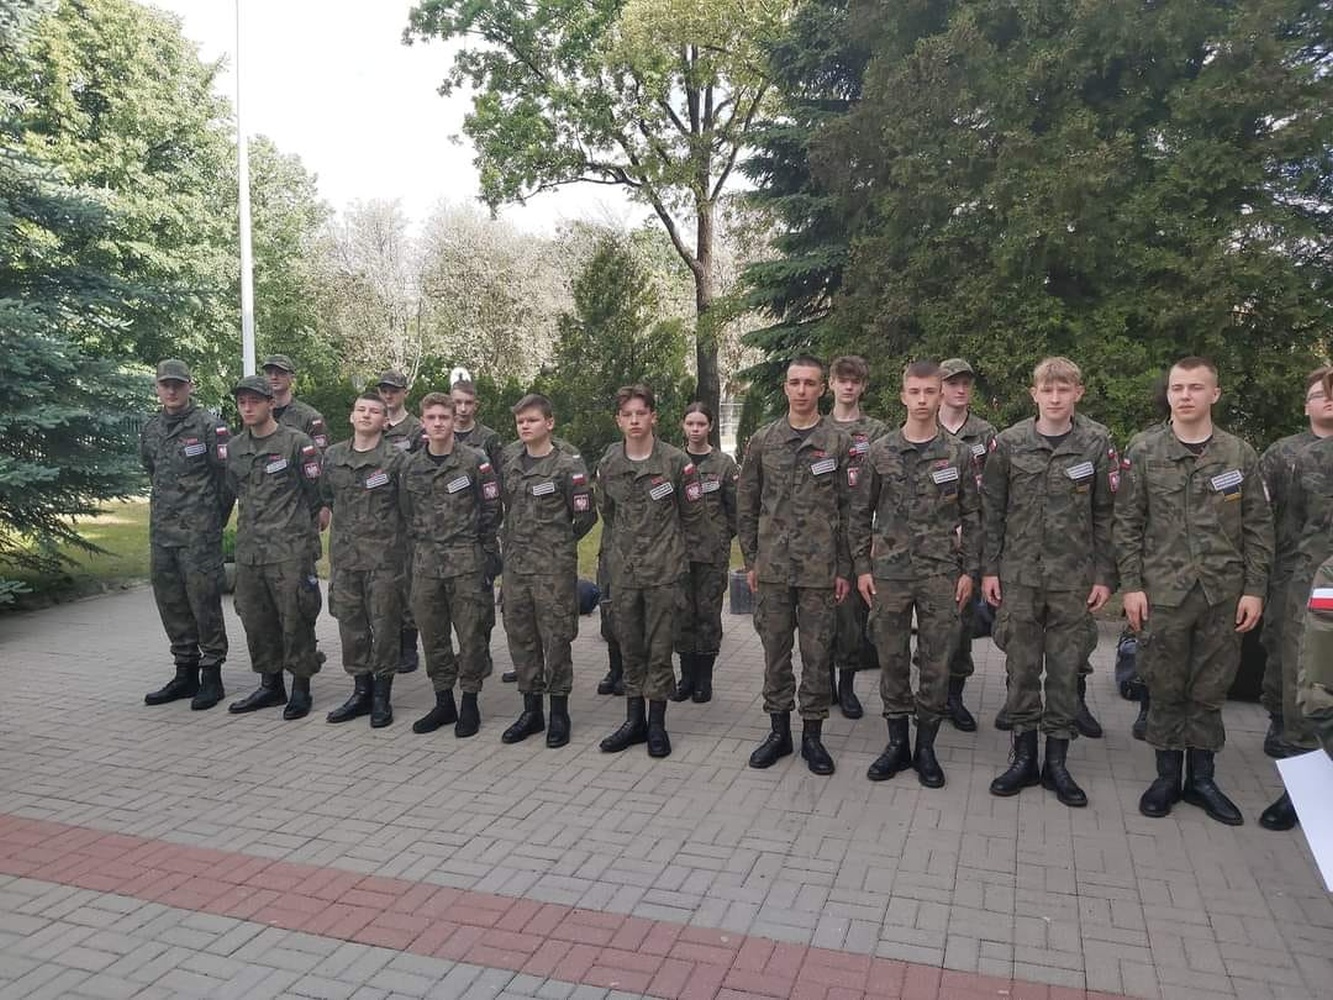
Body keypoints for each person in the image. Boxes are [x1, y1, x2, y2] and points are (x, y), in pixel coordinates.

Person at [1115, 357, 1273, 825]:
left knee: (1210, 688)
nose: (1185, 396)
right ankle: (1166, 778)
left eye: (1195, 387)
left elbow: (1258, 526)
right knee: (1163, 685)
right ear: (1168, 394)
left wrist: (1255, 589)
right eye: (1177, 387)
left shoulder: (1239, 455)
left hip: (1222, 594)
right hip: (1162, 593)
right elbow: (1127, 524)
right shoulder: (1144, 449)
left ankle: (1202, 780)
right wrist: (1131, 586)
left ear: (1214, 394)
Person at [983, 358, 1117, 808]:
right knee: (1021, 669)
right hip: (1019, 577)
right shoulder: (1009, 443)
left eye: (1064, 390)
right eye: (1047, 390)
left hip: (1072, 580)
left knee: (1064, 671)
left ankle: (1057, 763)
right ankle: (1023, 757)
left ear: (1078, 392)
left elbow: (1106, 514)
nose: (1055, 398)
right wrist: (989, 570)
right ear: (1034, 394)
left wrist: (1104, 575)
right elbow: (992, 511)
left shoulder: (1096, 443)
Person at [850, 361, 980, 788]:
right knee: (891, 658)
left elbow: (973, 517)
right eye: (915, 392)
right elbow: (859, 514)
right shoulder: (879, 452)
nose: (922, 400)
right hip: (890, 573)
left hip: (941, 574)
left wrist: (969, 570)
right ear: (903, 396)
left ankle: (926, 747)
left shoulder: (958, 454)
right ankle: (896, 744)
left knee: (937, 661)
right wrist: (862, 567)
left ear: (940, 396)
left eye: (929, 392)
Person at [739, 355, 853, 776]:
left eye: (809, 383)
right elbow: (747, 503)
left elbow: (851, 509)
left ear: (822, 388)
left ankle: (813, 737)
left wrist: (845, 567)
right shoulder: (764, 440)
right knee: (775, 652)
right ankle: (778, 732)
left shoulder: (838, 443)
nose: (802, 390)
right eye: (794, 382)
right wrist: (751, 559)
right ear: (785, 387)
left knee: (818, 654)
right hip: (772, 568)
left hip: (820, 571)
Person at [596, 384, 704, 758]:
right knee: (629, 646)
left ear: (653, 417)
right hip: (625, 573)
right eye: (627, 415)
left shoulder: (676, 462)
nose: (634, 421)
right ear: (618, 420)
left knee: (659, 649)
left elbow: (693, 517)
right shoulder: (609, 463)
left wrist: (674, 560)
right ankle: (633, 721)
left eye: (641, 413)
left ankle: (656, 724)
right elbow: (608, 514)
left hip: (663, 572)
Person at [496, 394, 598, 747]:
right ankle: (531, 711)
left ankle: (558, 712)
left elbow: (585, 515)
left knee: (556, 639)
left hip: (553, 570)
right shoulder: (510, 462)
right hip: (516, 568)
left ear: (549, 423)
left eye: (532, 420)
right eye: (520, 421)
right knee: (521, 637)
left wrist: (558, 543)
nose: (525, 426)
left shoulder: (568, 466)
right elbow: (506, 505)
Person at [400, 392, 502, 739]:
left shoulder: (474, 461)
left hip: (466, 564)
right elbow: (406, 512)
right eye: (432, 418)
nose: (439, 423)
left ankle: (470, 702)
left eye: (444, 417)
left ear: (453, 420)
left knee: (471, 636)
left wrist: (482, 551)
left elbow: (491, 509)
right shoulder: (411, 466)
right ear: (423, 422)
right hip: (426, 566)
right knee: (433, 636)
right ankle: (443, 701)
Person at [225, 374, 325, 720]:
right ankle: (270, 684)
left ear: (271, 403)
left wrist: (301, 533)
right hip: (251, 549)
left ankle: (301, 686)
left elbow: (315, 492)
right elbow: (234, 487)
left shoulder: (296, 443)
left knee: (296, 616)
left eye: (254, 401)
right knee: (255, 617)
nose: (247, 408)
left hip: (289, 549)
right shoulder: (235, 447)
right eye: (242, 402)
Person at [1258, 374, 1333, 829]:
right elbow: (1271, 521)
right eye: (1321, 393)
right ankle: (1304, 792)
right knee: (1307, 684)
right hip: (1309, 585)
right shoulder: (1303, 456)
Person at [139, 359, 233, 711]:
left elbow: (226, 479)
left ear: (190, 386)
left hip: (199, 535)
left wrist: (212, 519)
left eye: (178, 384)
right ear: (157, 388)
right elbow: (152, 470)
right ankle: (185, 672)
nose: (172, 390)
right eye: (166, 385)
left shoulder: (210, 427)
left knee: (204, 602)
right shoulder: (151, 428)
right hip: (162, 533)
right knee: (171, 602)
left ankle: (212, 674)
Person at [320, 391, 407, 728]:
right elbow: (326, 497)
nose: (366, 415)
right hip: (345, 559)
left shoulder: (397, 461)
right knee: (351, 627)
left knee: (385, 628)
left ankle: (382, 694)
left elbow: (408, 507)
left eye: (374, 411)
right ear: (351, 416)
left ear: (385, 421)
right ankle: (360, 691)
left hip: (385, 560)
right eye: (361, 410)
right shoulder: (333, 456)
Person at [827, 356, 889, 719]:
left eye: (855, 381)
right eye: (842, 380)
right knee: (820, 616)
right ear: (831, 384)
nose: (848, 386)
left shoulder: (877, 431)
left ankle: (847, 686)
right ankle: (824, 683)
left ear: (863, 386)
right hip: (819, 537)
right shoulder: (817, 427)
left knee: (851, 617)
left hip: (859, 536)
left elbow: (888, 486)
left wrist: (879, 533)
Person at [937, 358, 995, 733]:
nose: (960, 389)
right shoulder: (924, 427)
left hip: (970, 543)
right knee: (930, 623)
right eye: (952, 383)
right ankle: (930, 693)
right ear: (940, 387)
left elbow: (994, 489)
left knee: (962, 625)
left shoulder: (985, 433)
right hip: (929, 543)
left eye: (965, 383)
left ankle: (954, 697)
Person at [672, 403, 739, 704]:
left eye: (701, 424)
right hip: (679, 553)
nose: (695, 429)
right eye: (690, 423)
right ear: (683, 426)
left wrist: (720, 537)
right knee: (682, 615)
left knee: (708, 616)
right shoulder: (673, 461)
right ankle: (686, 677)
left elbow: (735, 511)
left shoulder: (724, 464)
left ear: (710, 426)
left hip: (712, 555)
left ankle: (704, 679)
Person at [451, 378, 507, 681]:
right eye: (457, 402)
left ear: (476, 405)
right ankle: (463, 653)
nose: (462, 409)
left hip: (479, 529)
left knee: (480, 599)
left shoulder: (488, 438)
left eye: (468, 403)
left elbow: (497, 484)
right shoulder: (436, 433)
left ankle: (480, 653)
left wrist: (491, 528)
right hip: (447, 530)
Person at [377, 369, 426, 676]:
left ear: (405, 392)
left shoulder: (416, 430)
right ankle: (387, 642)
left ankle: (408, 646)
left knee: (406, 583)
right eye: (384, 390)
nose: (388, 395)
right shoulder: (374, 424)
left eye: (394, 390)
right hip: (378, 521)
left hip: (406, 519)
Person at [263, 354, 330, 450]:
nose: (274, 377)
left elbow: (320, 454)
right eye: (269, 373)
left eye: (280, 372)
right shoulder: (257, 414)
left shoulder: (310, 417)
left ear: (292, 378)